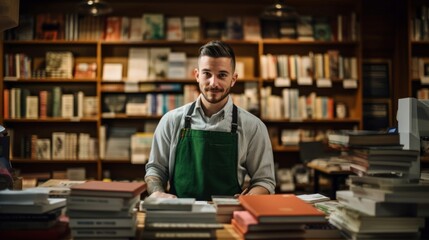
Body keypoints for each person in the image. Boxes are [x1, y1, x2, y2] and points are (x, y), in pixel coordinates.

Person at [144, 40, 276, 200]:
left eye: (222, 75)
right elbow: (155, 169)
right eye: (207, 74)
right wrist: (157, 193)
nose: (214, 83)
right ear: (197, 75)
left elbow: (265, 181)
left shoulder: (253, 126)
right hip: (178, 213)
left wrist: (249, 198)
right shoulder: (171, 121)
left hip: (229, 216)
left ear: (233, 79)